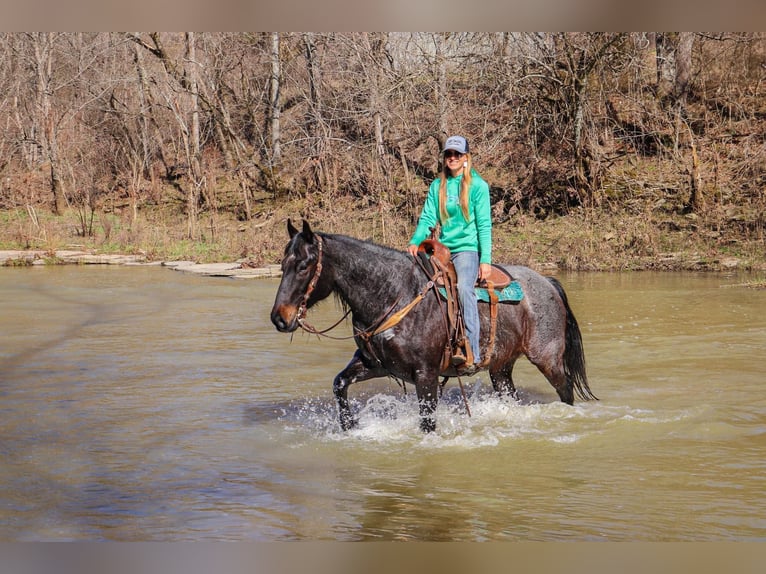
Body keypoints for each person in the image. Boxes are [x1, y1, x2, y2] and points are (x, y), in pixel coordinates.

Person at [407, 135, 492, 373]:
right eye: (448, 154)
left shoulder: (478, 186)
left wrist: (485, 260)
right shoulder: (438, 185)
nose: (452, 158)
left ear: (466, 158)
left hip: (466, 249)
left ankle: (470, 351)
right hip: (442, 249)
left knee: (464, 288)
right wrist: (415, 241)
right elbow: (427, 218)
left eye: (457, 154)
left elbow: (484, 225)